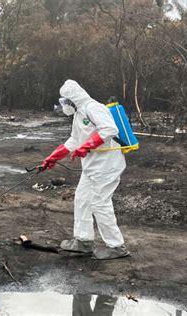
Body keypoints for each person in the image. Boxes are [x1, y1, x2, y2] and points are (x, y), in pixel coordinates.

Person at [41, 79, 130, 260]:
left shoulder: (94, 108)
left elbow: (109, 129)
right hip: (92, 167)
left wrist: (86, 147)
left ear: (73, 99)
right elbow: (74, 140)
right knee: (82, 200)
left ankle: (117, 247)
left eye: (65, 101)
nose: (64, 105)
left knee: (100, 203)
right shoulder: (79, 114)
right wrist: (53, 157)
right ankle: (83, 241)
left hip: (107, 167)